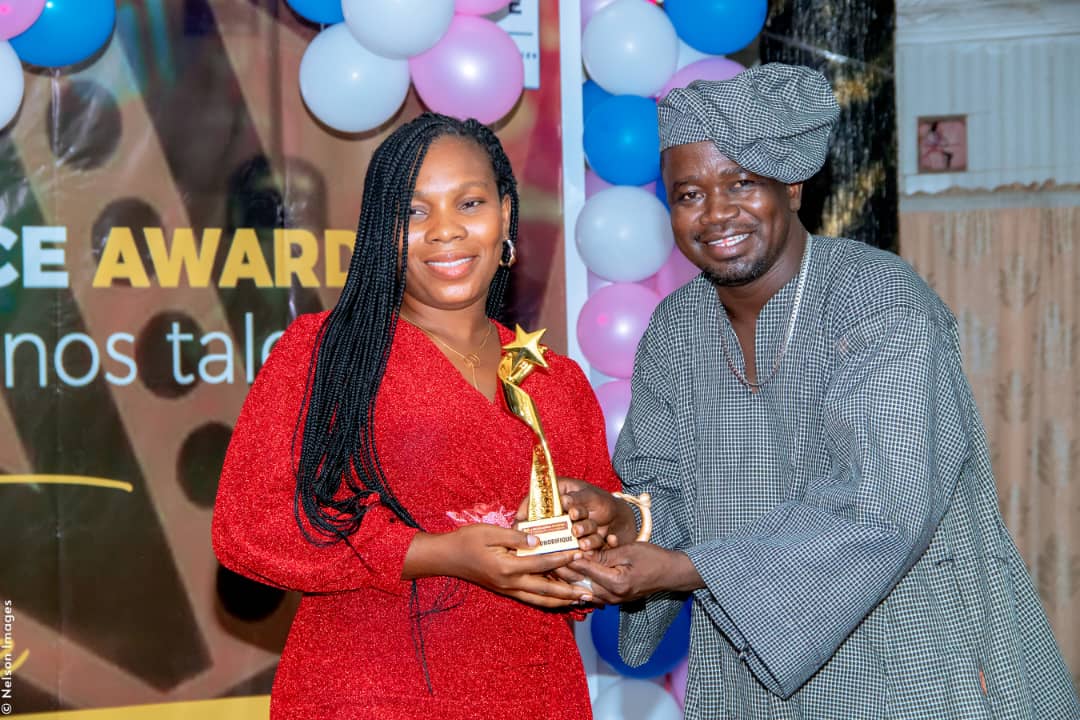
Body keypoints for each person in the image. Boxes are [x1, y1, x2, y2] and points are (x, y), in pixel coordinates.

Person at [563, 64, 1080, 719]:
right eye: (689, 194)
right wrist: (621, 520)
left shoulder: (878, 299)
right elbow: (663, 489)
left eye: (742, 183)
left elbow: (879, 506)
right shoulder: (676, 327)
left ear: (792, 184)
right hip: (747, 668)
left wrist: (690, 570)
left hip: (904, 656)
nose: (716, 213)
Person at [212, 113, 618, 719]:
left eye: (470, 203)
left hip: (537, 694)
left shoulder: (556, 381)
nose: (444, 230)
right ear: (384, 229)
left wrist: (600, 530)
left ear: (506, 213)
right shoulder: (326, 353)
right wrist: (432, 553)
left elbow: (591, 568)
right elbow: (249, 529)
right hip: (367, 697)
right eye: (413, 211)